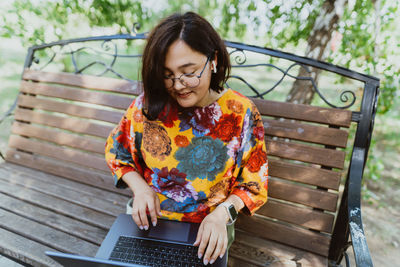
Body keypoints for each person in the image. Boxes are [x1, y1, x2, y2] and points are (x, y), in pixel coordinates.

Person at [105, 11, 269, 266]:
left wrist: (223, 214)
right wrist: (140, 189)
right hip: (149, 226)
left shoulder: (240, 112)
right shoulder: (146, 106)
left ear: (213, 60)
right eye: (167, 74)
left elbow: (253, 185)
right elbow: (117, 153)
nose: (178, 85)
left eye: (188, 72)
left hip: (208, 233)